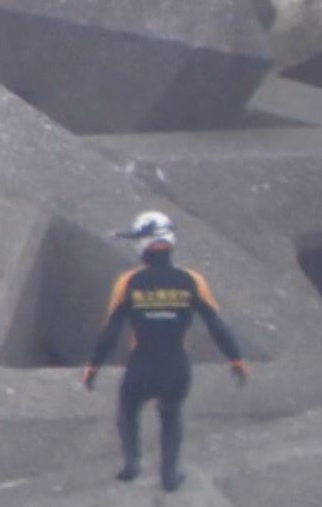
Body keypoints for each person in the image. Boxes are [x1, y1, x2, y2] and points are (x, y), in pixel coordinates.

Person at [81, 210, 248, 491]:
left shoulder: (129, 282)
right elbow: (216, 325)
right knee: (171, 413)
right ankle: (169, 473)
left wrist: (93, 366)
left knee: (128, 411)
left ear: (143, 244)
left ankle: (132, 464)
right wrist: (236, 360)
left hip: (141, 365)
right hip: (176, 366)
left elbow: (111, 331)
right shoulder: (193, 280)